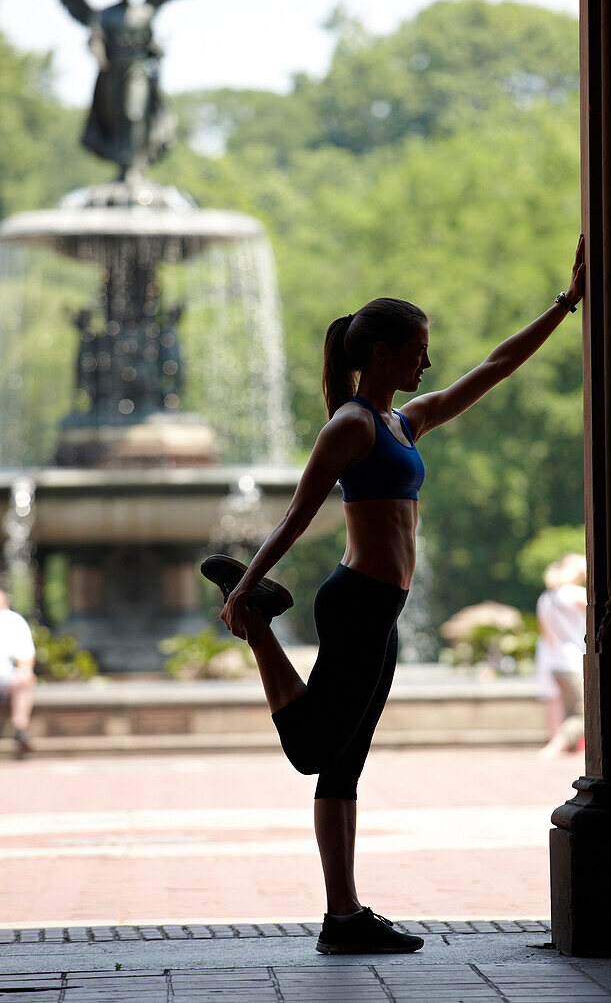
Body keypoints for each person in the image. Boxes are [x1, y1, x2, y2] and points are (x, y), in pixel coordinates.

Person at [206, 235, 586, 954]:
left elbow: (492, 369)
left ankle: (343, 917)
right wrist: (245, 587)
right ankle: (256, 620)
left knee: (342, 763)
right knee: (314, 753)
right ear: (379, 352)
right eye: (416, 349)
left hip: (381, 611)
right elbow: (295, 514)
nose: (426, 362)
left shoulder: (399, 423)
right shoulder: (350, 425)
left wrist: (563, 306)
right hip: (353, 602)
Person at [536, 552, 587, 759]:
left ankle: (565, 746)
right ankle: (556, 746)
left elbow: (545, 635)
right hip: (573, 660)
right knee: (585, 712)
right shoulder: (574, 594)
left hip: (555, 661)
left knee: (567, 708)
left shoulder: (546, 598)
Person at [0, 589, 36, 759]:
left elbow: (26, 655)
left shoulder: (13, 621)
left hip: (6, 680)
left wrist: (25, 672)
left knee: (26, 680)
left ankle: (20, 731)